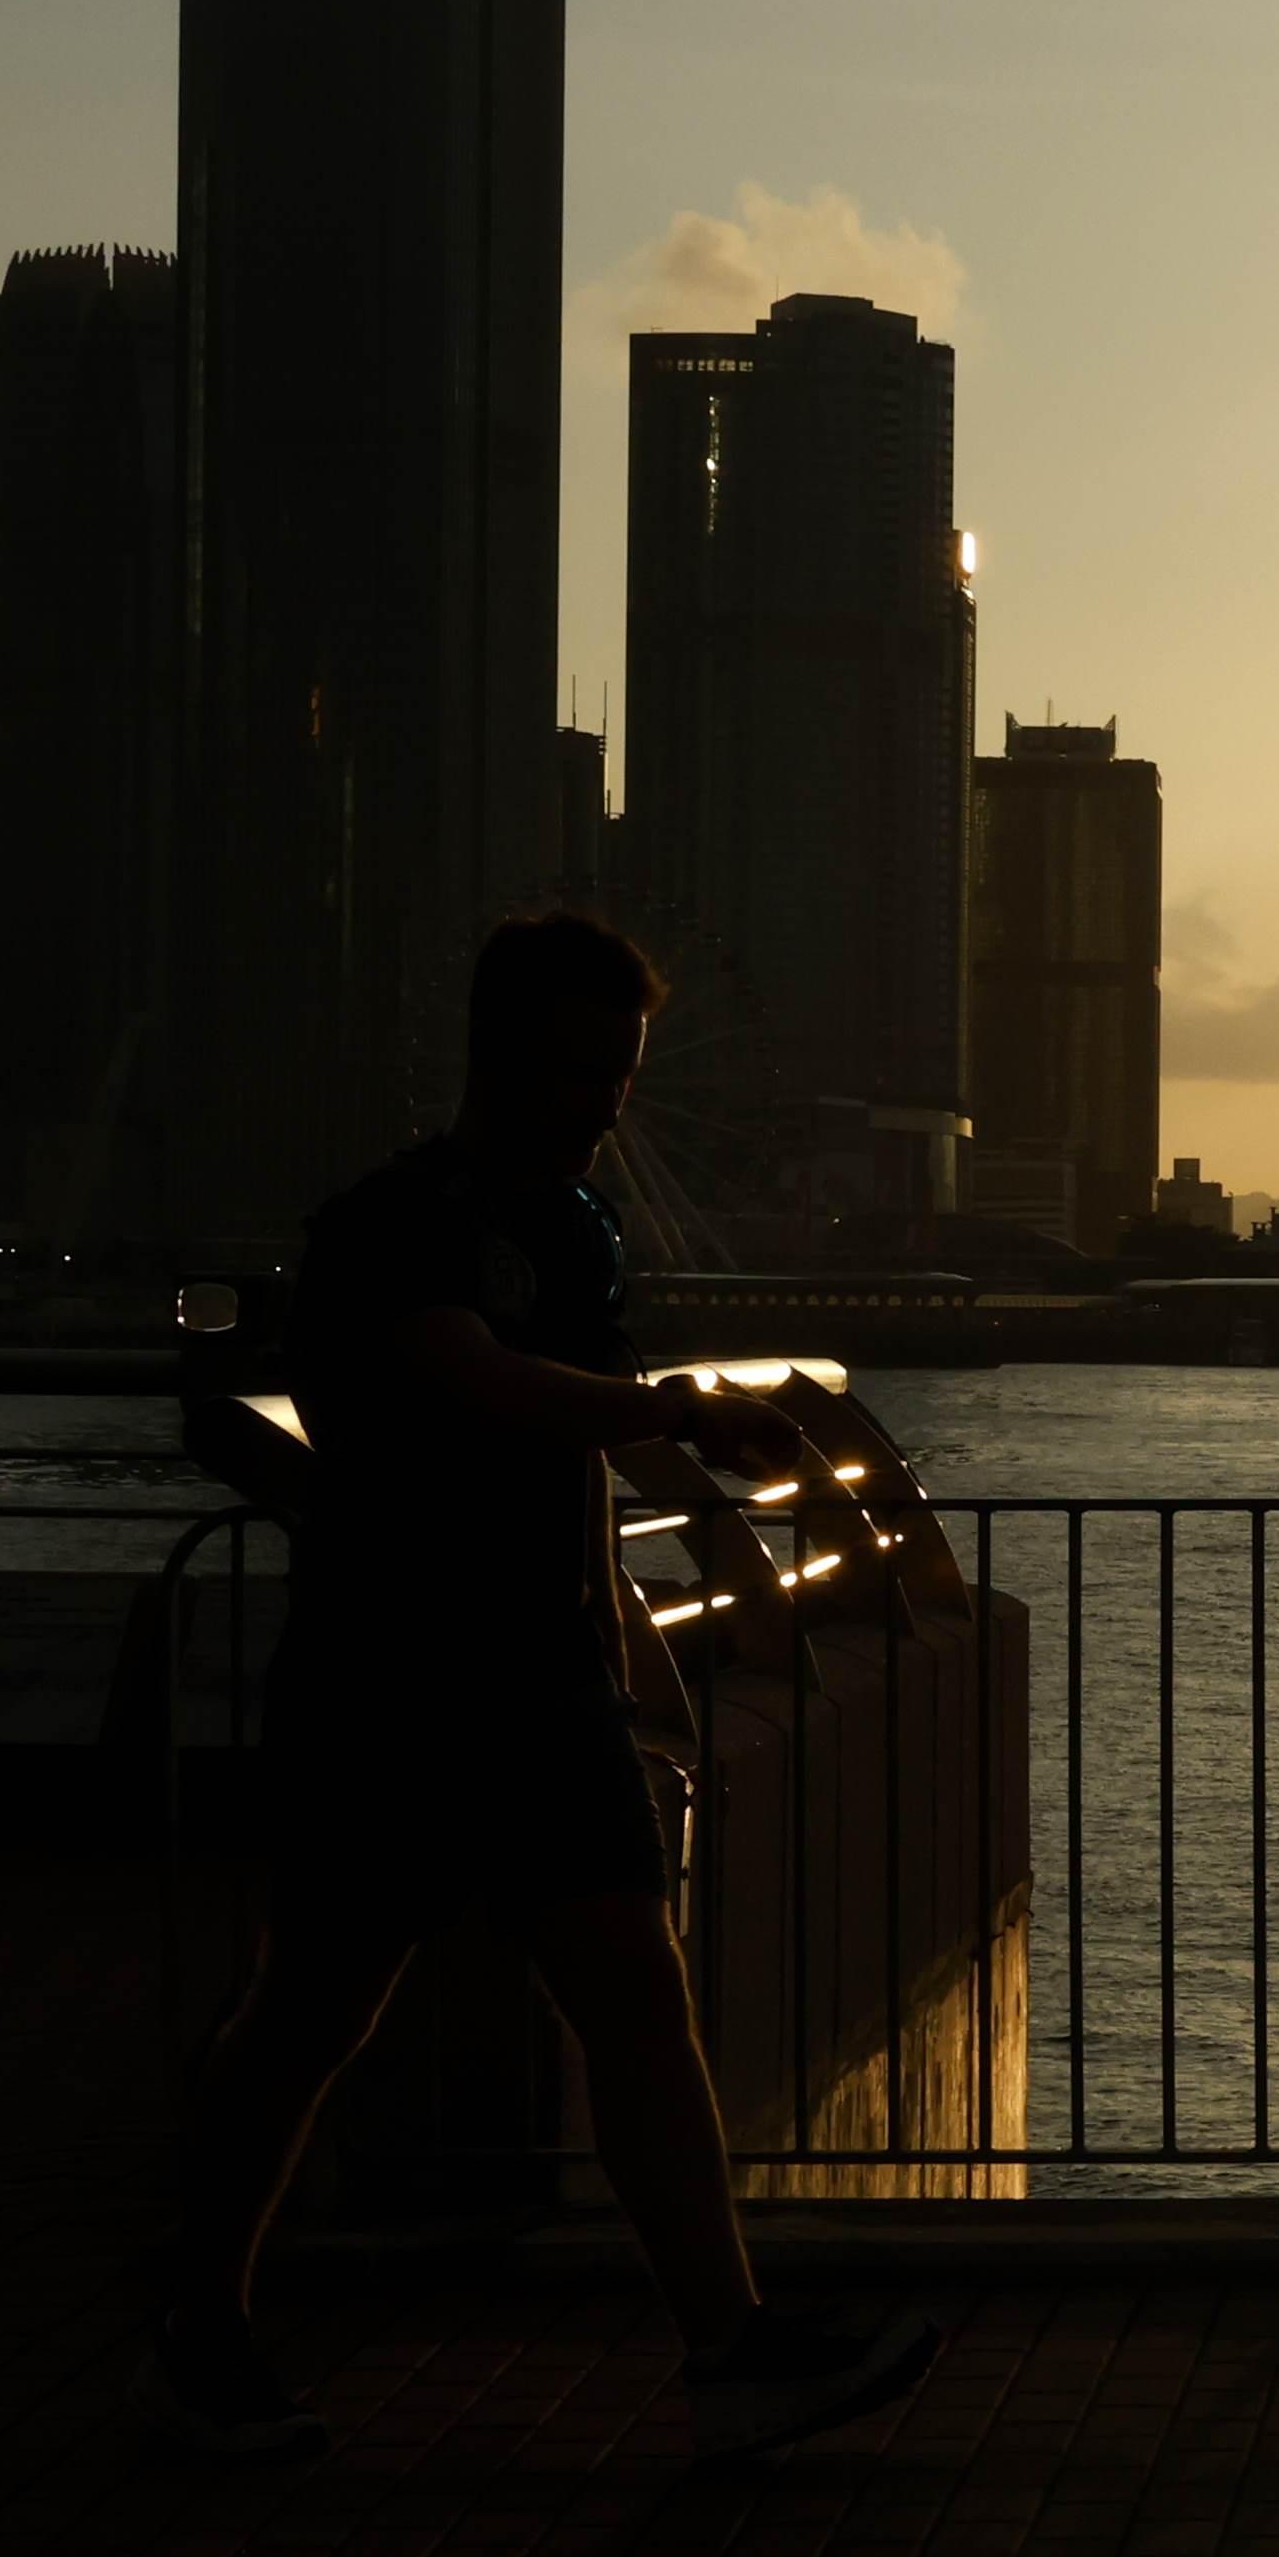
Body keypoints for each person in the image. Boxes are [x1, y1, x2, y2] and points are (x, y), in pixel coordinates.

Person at [143, 911, 944, 2466]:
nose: (603, 1105)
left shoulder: (574, 1227)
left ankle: (727, 2347)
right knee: (314, 2009)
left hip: (534, 1679)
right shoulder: (396, 1222)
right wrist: (676, 1414)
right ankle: (200, 2323)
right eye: (580, 1069)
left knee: (632, 1993)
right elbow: (475, 1377)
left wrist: (609, 1641)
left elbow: (561, 1434)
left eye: (621, 1074)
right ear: (497, 1054)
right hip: (388, 1676)